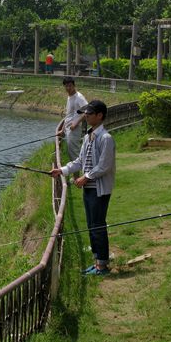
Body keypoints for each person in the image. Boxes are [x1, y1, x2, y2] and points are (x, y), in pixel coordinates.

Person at [51, 100, 115, 276]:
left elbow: (104, 166)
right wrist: (62, 170)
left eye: (89, 113)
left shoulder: (106, 138)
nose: (85, 116)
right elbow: (80, 161)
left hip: (99, 190)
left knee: (98, 226)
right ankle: (97, 262)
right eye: (85, 113)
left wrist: (85, 178)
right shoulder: (88, 137)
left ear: (99, 115)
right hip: (89, 190)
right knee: (91, 226)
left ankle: (102, 266)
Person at [59, 77, 88, 161]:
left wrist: (75, 123)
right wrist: (63, 129)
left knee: (74, 154)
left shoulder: (79, 97)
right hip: (68, 129)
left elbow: (87, 111)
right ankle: (77, 173)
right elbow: (68, 115)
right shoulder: (69, 97)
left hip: (75, 129)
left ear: (74, 85)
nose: (68, 88)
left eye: (70, 86)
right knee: (71, 153)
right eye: (66, 86)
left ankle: (78, 173)